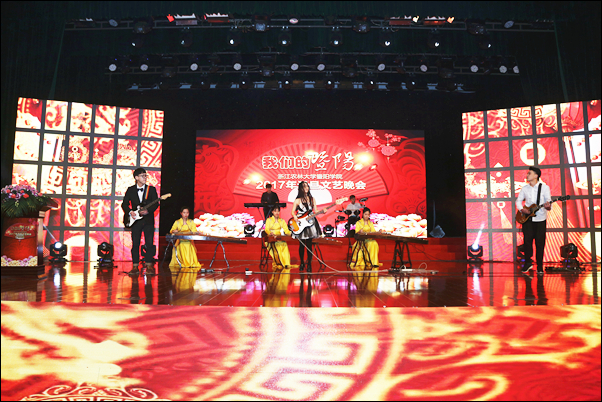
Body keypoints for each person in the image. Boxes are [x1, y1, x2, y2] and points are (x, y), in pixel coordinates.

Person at [121, 168, 158, 274]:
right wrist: (130, 212)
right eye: (142, 176)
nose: (145, 178)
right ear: (136, 177)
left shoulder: (151, 189)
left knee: (149, 243)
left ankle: (149, 265)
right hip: (136, 221)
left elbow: (156, 203)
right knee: (135, 243)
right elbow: (124, 204)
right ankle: (135, 266)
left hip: (148, 220)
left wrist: (148, 211)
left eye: (146, 175)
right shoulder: (131, 190)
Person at [516, 166, 551, 274]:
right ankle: (528, 263)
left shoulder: (544, 188)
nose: (527, 175)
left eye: (529, 173)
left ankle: (540, 266)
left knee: (540, 243)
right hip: (528, 219)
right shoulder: (525, 188)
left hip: (540, 219)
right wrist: (522, 209)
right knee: (527, 242)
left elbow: (548, 202)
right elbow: (518, 201)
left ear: (536, 175)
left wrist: (548, 206)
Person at [291, 181, 327, 272]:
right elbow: (292, 211)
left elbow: (316, 210)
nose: (306, 188)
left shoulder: (312, 199)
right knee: (302, 244)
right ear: (301, 188)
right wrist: (294, 216)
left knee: (309, 244)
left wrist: (322, 211)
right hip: (301, 222)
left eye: (307, 186)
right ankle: (302, 263)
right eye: (304, 186)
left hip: (310, 222)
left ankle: (309, 264)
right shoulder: (297, 200)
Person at [169, 206, 203, 272]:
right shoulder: (177, 222)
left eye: (187, 212)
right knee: (179, 247)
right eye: (184, 212)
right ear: (181, 213)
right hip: (180, 242)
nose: (186, 214)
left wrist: (193, 232)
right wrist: (174, 231)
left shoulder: (191, 222)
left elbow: (194, 231)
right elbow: (172, 230)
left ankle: (189, 263)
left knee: (189, 246)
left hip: (189, 241)